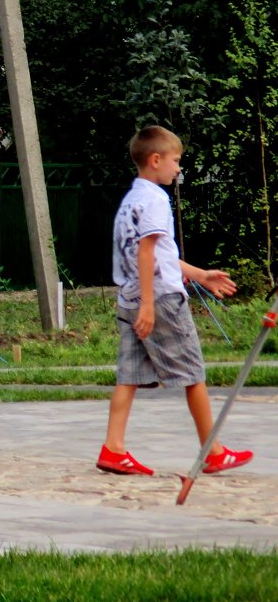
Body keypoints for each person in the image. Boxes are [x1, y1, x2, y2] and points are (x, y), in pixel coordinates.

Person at [98, 124, 252, 476]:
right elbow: (147, 251)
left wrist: (198, 274)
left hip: (129, 299)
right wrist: (151, 305)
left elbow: (157, 254)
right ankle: (212, 450)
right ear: (156, 160)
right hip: (161, 300)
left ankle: (113, 448)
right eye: (176, 161)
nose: (178, 168)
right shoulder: (155, 199)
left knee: (129, 377)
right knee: (193, 373)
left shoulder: (130, 201)